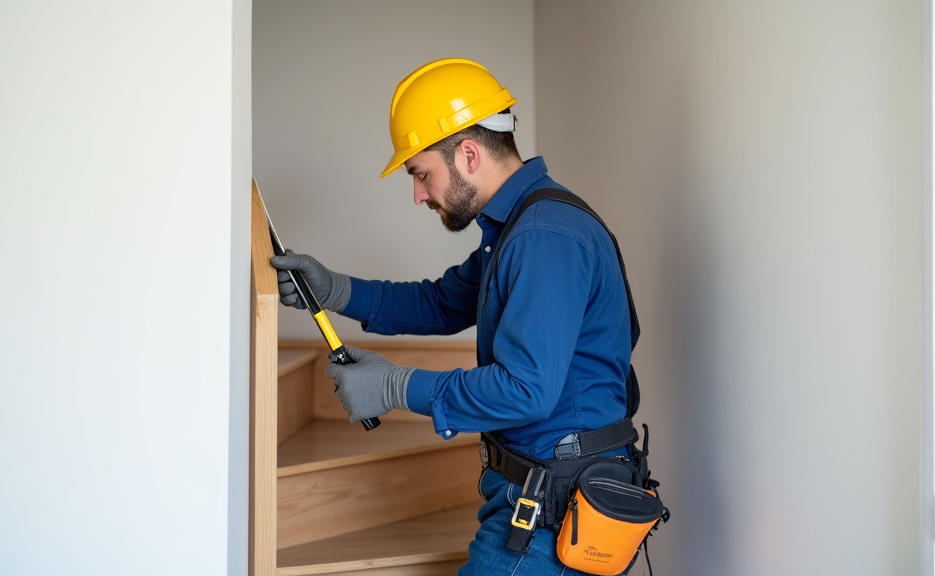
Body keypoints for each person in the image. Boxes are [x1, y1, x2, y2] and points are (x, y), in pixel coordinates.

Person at [272, 57, 653, 575]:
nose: (418, 195)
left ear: (468, 154)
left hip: (554, 513)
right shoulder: (520, 226)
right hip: (536, 493)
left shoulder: (544, 235)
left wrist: (395, 386)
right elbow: (442, 302)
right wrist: (336, 290)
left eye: (421, 173)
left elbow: (524, 389)